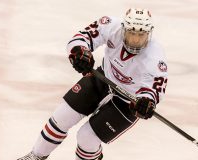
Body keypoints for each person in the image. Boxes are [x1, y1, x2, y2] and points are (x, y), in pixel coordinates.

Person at [17, 8, 168, 160]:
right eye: (132, 33)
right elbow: (81, 38)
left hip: (129, 101)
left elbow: (153, 89)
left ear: (149, 33)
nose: (135, 40)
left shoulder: (155, 57)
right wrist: (79, 52)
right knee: (61, 117)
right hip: (103, 79)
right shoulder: (110, 26)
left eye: (141, 35)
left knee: (86, 138)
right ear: (123, 28)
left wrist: (146, 102)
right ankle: (35, 157)